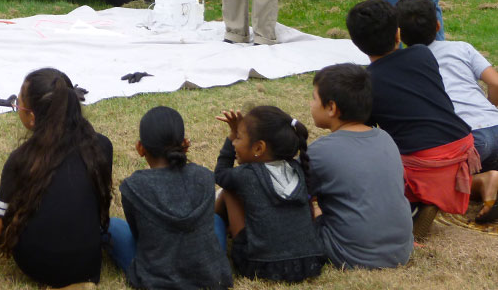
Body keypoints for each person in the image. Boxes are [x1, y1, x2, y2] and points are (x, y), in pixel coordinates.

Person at [345, 0, 479, 238]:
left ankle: (415, 204)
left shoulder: (366, 83)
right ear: (398, 34)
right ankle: (435, 195)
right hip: (463, 148)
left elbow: (367, 133)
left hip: (424, 163)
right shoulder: (422, 55)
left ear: (357, 44)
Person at [0, 68, 113, 288]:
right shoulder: (101, 146)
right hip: (88, 264)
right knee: (119, 229)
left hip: (37, 264)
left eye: (19, 104)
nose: (17, 108)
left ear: (32, 118)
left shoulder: (21, 159)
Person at [396, 0, 498, 223]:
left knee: (429, 178)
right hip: (495, 125)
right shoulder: (462, 47)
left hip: (469, 141)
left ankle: (479, 182)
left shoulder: (401, 63)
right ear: (438, 25)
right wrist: (492, 108)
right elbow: (496, 82)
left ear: (398, 34)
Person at [108, 106, 232, 290]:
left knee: (113, 226)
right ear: (185, 143)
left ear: (140, 148)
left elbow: (139, 236)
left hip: (156, 278)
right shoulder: (205, 176)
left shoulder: (133, 186)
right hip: (209, 275)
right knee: (215, 220)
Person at [307, 64, 414, 268]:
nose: (310, 103)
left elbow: (290, 194)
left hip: (352, 254)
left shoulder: (321, 151)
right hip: (401, 250)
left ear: (331, 108)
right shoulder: (385, 138)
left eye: (313, 98)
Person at [213, 106, 325, 282]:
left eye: (238, 137)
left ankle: (212, 225)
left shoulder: (246, 174)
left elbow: (220, 173)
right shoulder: (298, 168)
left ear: (259, 148)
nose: (235, 142)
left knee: (229, 191)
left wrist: (230, 135)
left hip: (260, 266)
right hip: (309, 263)